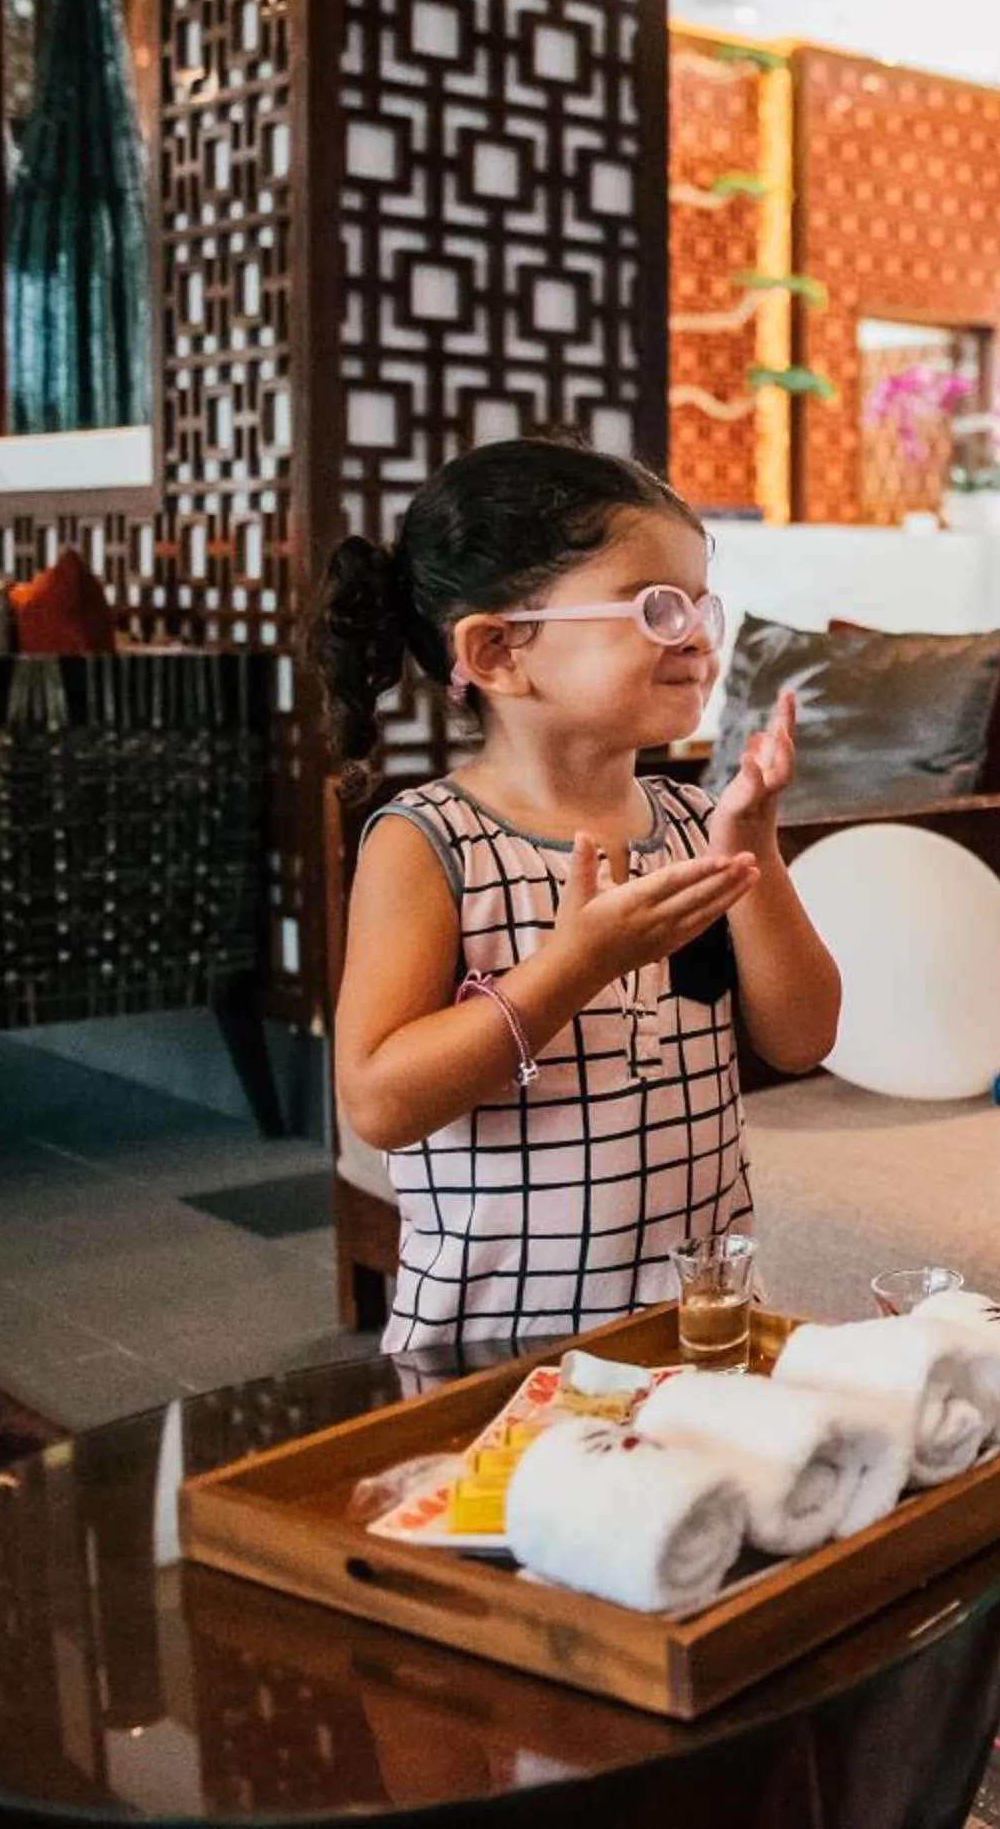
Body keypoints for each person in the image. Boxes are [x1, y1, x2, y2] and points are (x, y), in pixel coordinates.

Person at [311, 439, 840, 1353]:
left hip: (694, 1337)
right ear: (498, 649)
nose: (698, 637)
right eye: (655, 607)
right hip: (494, 1349)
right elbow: (380, 1101)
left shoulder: (692, 822)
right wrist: (575, 963)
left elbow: (803, 1038)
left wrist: (751, 844)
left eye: (701, 605)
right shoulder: (432, 841)